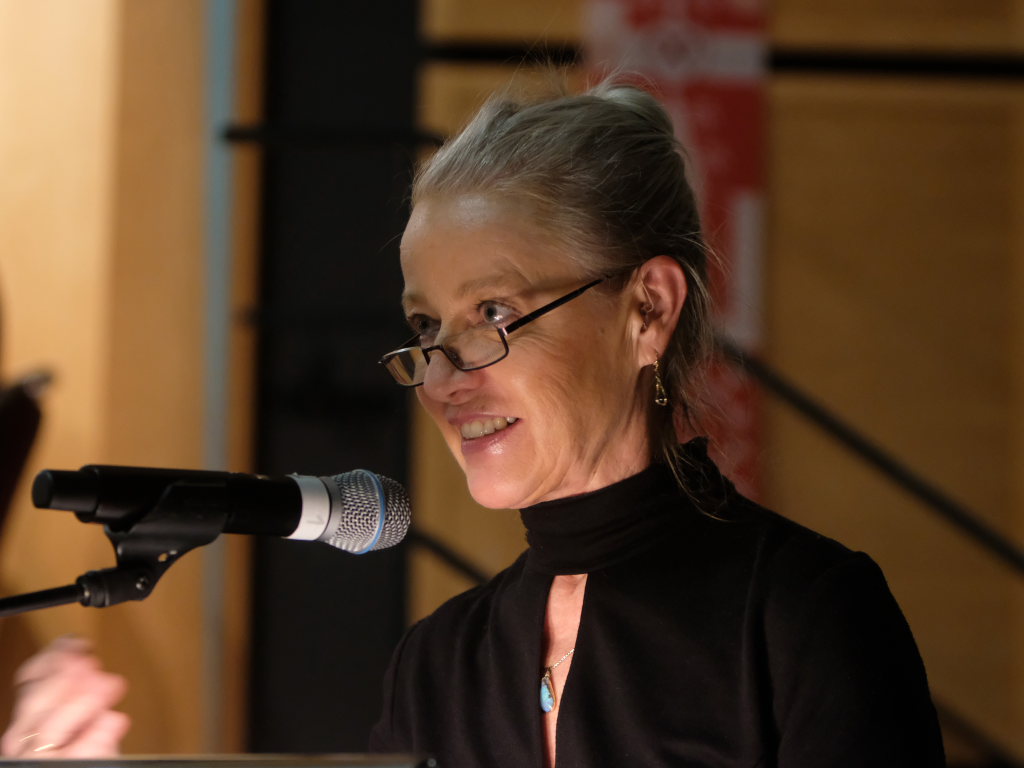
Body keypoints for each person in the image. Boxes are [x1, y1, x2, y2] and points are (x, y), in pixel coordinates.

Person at [1, 79, 945, 767]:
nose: (444, 376)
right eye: (425, 329)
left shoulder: (805, 617)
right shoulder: (439, 664)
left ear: (648, 308)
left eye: (494, 312)